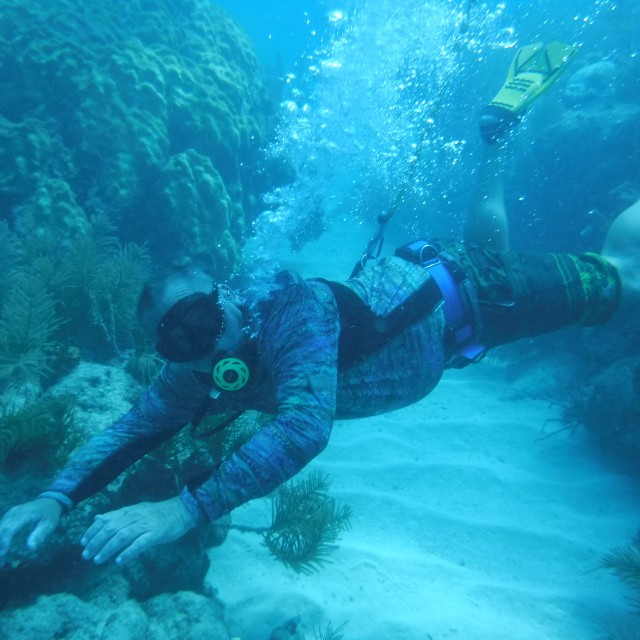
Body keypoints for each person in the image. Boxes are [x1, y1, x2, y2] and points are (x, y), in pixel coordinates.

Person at [0, 43, 638, 568]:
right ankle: (498, 134)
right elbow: (132, 429)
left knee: (621, 276)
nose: (202, 346)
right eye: (177, 340)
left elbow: (305, 428)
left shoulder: (295, 311)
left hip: (474, 294)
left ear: (228, 301)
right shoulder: (190, 373)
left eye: (201, 319)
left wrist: (185, 509)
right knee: (489, 235)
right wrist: (56, 497)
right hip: (447, 310)